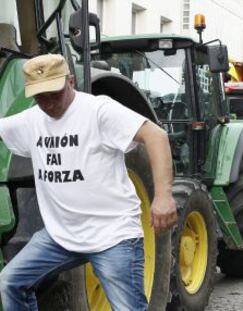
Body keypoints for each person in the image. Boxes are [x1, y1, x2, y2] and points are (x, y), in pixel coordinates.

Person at [0, 54, 178, 310]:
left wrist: (163, 196)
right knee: (11, 282)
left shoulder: (98, 110)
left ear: (70, 81)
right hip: (60, 237)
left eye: (54, 93)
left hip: (112, 237)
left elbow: (156, 135)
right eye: (40, 97)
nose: (49, 103)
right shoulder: (31, 120)